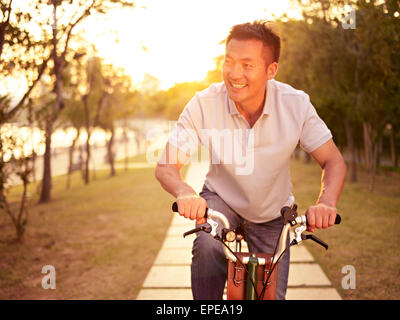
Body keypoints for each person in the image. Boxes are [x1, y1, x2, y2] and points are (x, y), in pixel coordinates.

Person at [155, 20, 346, 300]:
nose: (234, 73)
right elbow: (166, 166)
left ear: (271, 71)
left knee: (271, 297)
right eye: (229, 61)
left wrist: (326, 202)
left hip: (272, 212)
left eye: (247, 65)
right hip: (222, 201)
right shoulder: (204, 103)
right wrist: (185, 192)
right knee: (207, 245)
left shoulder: (295, 104)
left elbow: (333, 160)